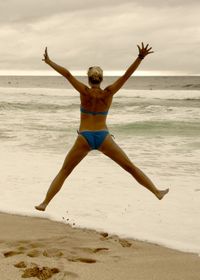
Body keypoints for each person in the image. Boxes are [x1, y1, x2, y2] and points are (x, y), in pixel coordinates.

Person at [35, 43, 169, 211]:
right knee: (131, 168)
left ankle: (45, 203)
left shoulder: (84, 92)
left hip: (84, 137)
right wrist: (140, 57)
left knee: (64, 171)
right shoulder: (109, 92)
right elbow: (127, 76)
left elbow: (67, 75)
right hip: (103, 137)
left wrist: (49, 62)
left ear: (89, 78)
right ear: (101, 78)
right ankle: (156, 192)